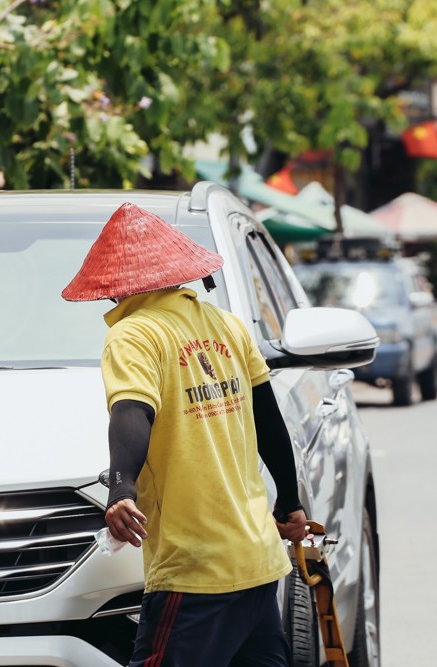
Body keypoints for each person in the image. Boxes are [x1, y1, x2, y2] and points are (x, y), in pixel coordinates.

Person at [62, 202, 308, 667]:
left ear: (114, 286)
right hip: (256, 559)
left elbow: (132, 410)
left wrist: (121, 490)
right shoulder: (227, 326)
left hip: (195, 571)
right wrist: (290, 502)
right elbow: (269, 422)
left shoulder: (134, 334)